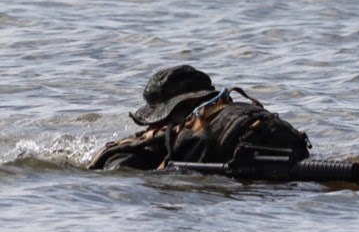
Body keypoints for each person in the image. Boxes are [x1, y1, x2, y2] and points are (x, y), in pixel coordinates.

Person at [88, 65, 311, 171]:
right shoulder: (242, 109)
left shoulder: (195, 132)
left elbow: (120, 167)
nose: (158, 125)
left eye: (162, 119)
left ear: (182, 107)